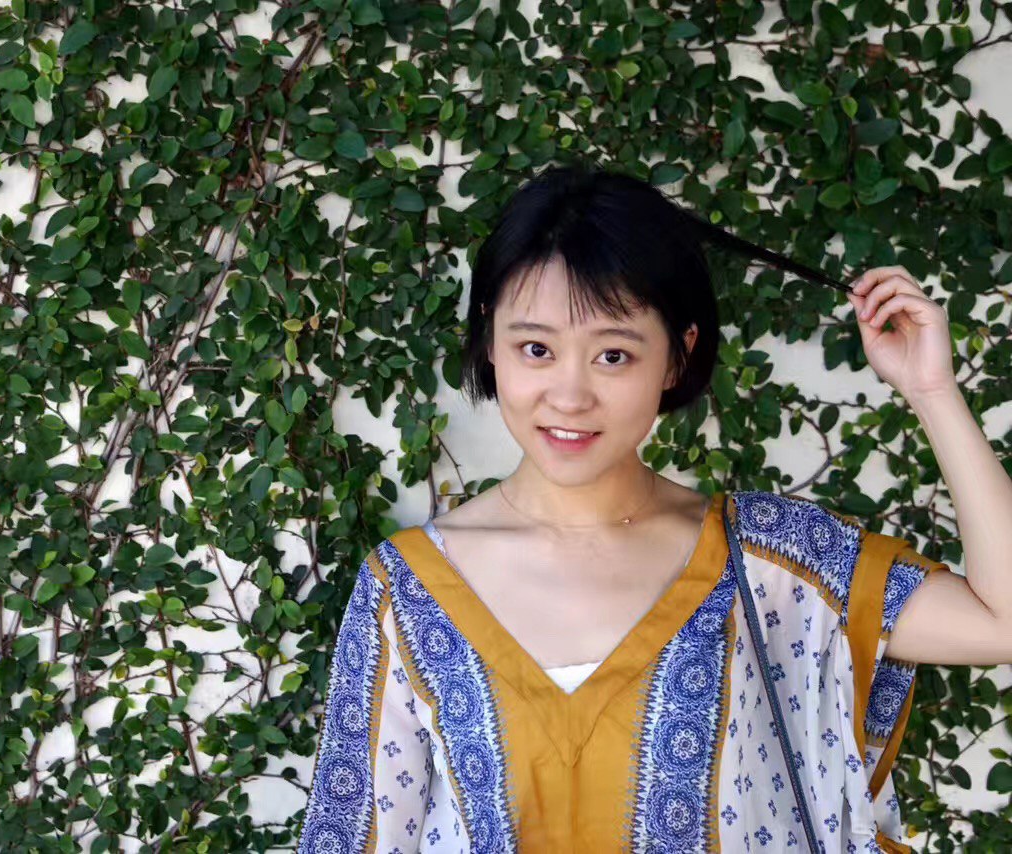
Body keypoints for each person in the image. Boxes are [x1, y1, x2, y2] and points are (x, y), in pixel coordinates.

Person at [296, 162, 1012, 852]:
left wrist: (931, 391)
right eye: (536, 348)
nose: (569, 395)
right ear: (490, 339)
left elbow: (1001, 623)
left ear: (677, 355)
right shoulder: (409, 591)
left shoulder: (774, 562)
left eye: (614, 355)